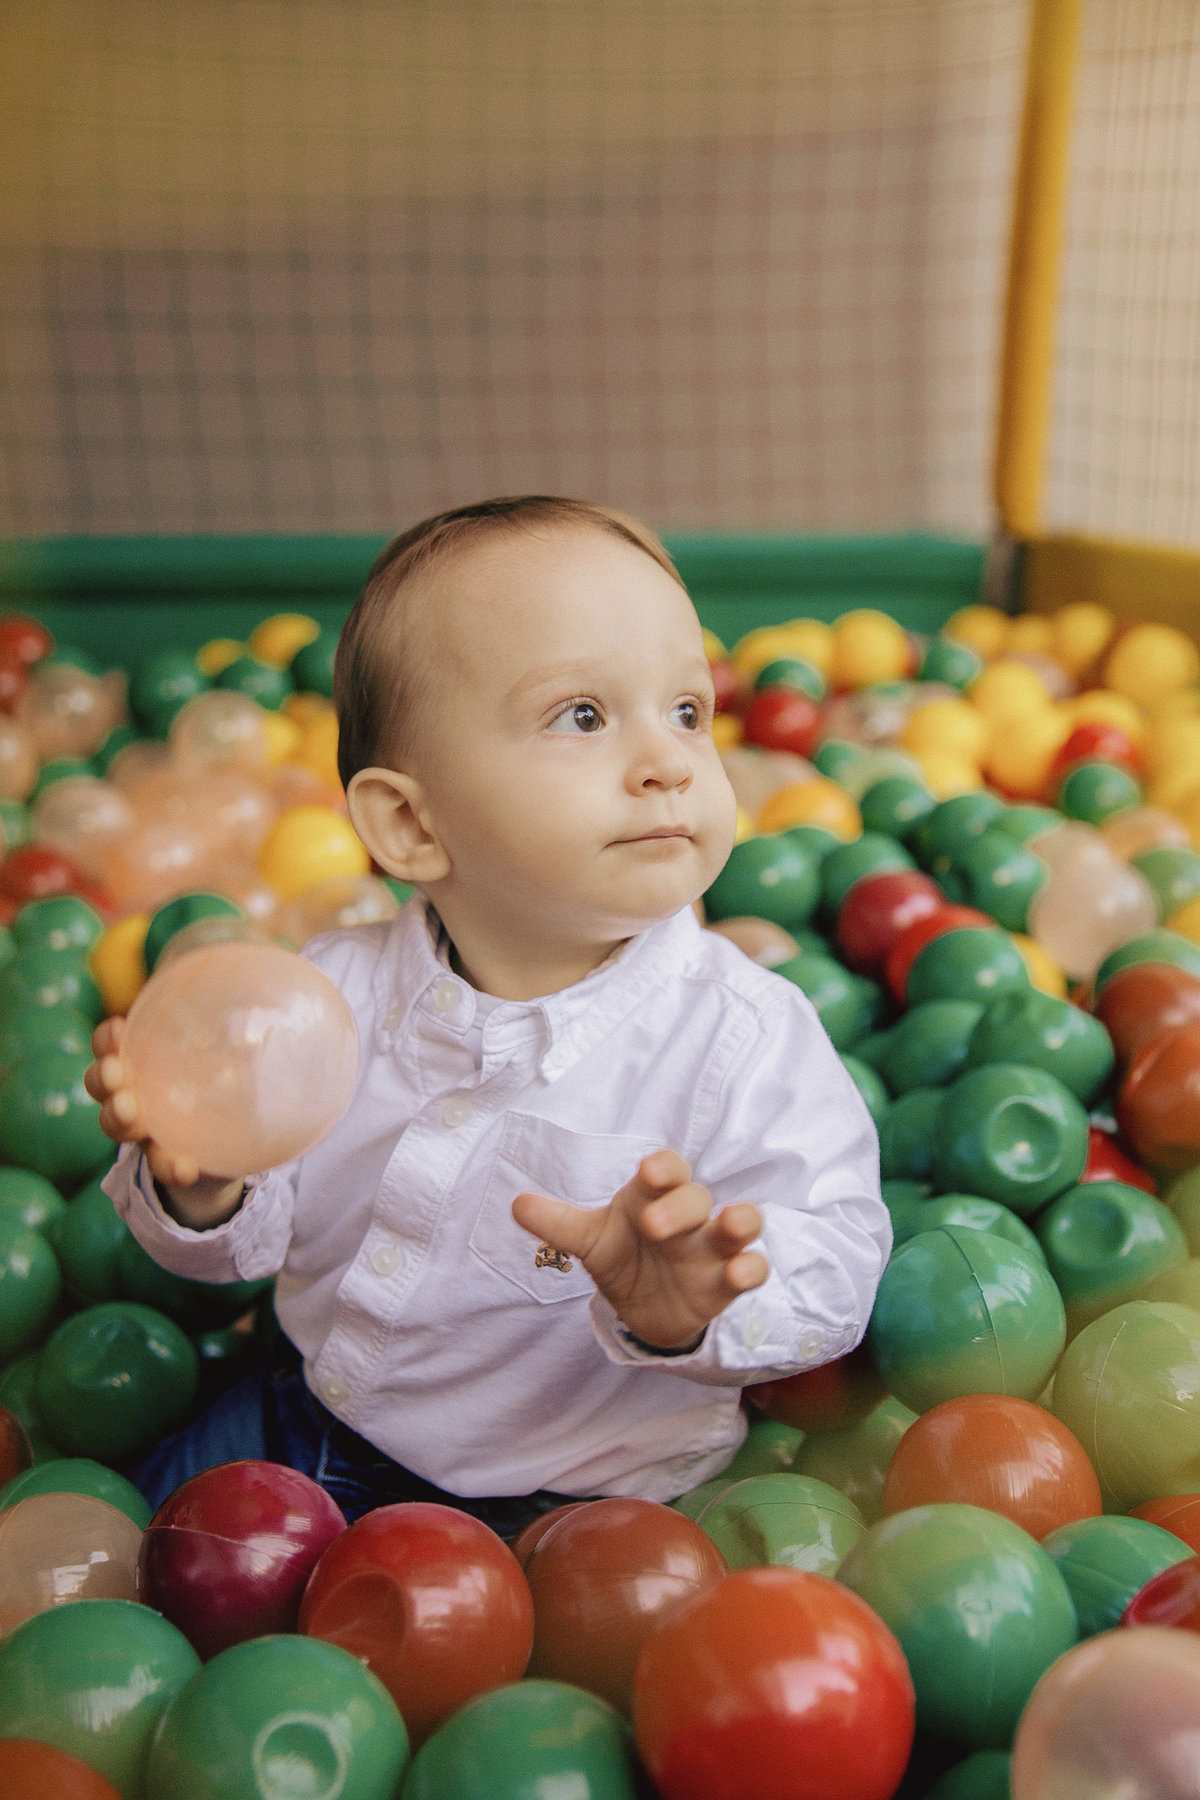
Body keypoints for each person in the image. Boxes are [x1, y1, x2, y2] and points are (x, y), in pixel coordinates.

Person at [90, 494, 890, 1537]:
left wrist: (700, 1299)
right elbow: (236, 1251)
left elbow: (840, 1260)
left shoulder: (744, 1036)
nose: (669, 760)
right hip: (310, 1418)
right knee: (133, 1553)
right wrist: (202, 1186)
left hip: (582, 1503)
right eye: (584, 716)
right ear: (412, 825)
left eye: (688, 709)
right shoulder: (322, 997)